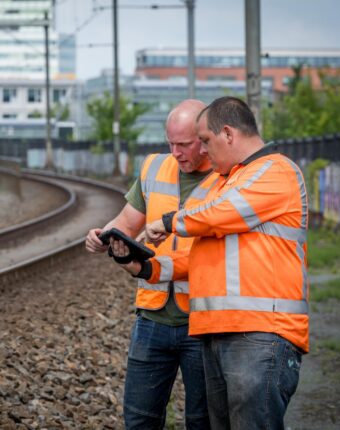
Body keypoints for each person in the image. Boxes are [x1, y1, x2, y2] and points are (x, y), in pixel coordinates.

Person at [145, 96, 309, 430]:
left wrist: (167, 220)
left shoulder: (275, 171)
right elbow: (205, 255)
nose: (203, 151)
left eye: (205, 141)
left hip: (260, 333)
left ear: (229, 134)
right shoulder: (230, 179)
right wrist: (149, 268)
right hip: (220, 333)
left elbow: (215, 215)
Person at [85, 99, 216, 429]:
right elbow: (128, 222)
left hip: (203, 322)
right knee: (140, 419)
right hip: (152, 316)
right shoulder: (155, 167)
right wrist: (105, 234)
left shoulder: (226, 177)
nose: (175, 152)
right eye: (170, 143)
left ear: (205, 138)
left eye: (184, 144)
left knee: (203, 421)